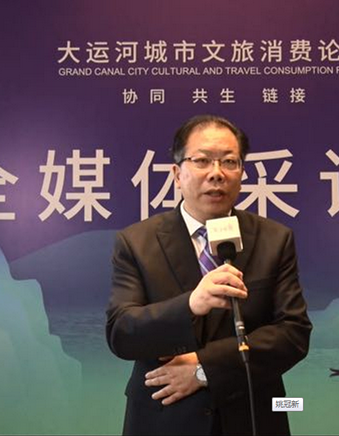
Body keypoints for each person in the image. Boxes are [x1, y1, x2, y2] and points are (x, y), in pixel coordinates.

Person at [106, 115, 312, 435]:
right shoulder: (136, 242)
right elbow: (122, 333)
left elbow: (293, 334)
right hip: (164, 419)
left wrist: (205, 369)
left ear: (241, 173)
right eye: (202, 161)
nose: (217, 173)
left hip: (250, 417)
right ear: (177, 174)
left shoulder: (275, 240)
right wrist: (190, 304)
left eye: (229, 162)